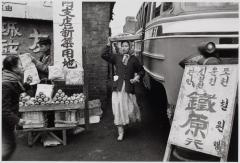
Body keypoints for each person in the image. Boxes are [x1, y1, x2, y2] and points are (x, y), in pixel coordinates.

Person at [101, 38, 145, 141]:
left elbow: (141, 71)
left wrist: (137, 77)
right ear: (120, 47)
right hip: (118, 88)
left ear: (130, 47)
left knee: (129, 110)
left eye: (127, 46)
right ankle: (120, 132)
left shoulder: (133, 59)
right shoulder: (116, 57)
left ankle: (126, 122)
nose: (124, 48)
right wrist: (108, 44)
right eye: (123, 46)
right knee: (118, 109)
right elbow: (103, 55)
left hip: (129, 88)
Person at [2, 55, 32, 160]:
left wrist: (27, 85)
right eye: (20, 65)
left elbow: (16, 91)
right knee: (10, 146)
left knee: (9, 145)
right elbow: (3, 110)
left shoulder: (11, 79)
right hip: (4, 120)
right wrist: (18, 121)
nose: (22, 67)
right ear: (13, 68)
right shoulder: (5, 84)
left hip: (7, 119)